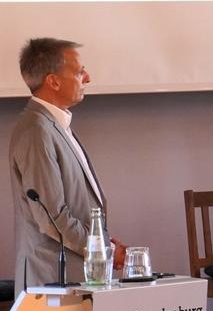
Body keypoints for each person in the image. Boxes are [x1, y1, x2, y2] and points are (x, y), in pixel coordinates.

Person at [9, 38, 126, 296]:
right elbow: (53, 217)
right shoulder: (36, 130)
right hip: (52, 280)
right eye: (79, 71)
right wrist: (102, 248)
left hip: (72, 277)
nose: (87, 78)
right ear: (53, 81)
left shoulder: (53, 125)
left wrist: (102, 245)